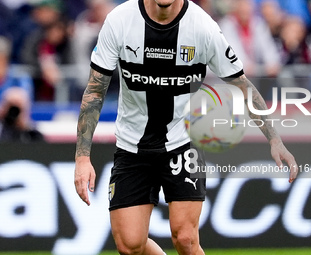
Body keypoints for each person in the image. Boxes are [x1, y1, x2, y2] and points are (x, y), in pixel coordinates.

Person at [74, 0, 298, 254]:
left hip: (183, 143)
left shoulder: (203, 27)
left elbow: (243, 86)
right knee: (129, 244)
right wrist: (82, 157)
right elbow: (94, 91)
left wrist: (274, 139)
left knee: (186, 239)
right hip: (132, 145)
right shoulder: (119, 20)